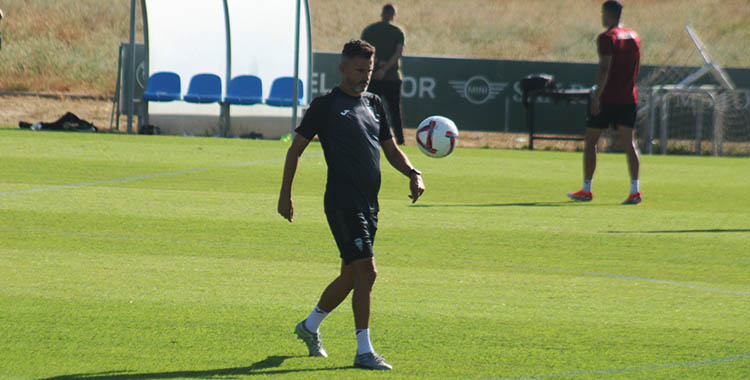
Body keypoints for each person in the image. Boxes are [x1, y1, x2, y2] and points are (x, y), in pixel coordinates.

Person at [277, 39, 425, 371]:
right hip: (343, 203)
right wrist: (285, 194)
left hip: (370, 204)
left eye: (369, 71)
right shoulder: (326, 105)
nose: (365, 77)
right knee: (367, 272)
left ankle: (310, 325)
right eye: (359, 70)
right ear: (342, 68)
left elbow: (390, 150)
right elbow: (295, 150)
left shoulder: (374, 103)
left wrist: (413, 173)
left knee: (350, 276)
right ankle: (363, 351)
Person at [568, 0, 642, 205]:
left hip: (608, 98)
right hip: (628, 96)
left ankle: (586, 189)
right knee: (629, 142)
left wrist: (597, 96)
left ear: (609, 14)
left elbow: (604, 68)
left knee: (591, 140)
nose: (602, 17)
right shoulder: (634, 36)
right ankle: (635, 190)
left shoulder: (606, 38)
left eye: (603, 13)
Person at [361, 4, 406, 145]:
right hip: (392, 77)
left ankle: (369, 137)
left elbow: (363, 51)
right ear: (394, 15)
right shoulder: (397, 31)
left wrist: (376, 67)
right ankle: (400, 140)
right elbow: (398, 53)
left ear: (382, 14)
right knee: (394, 112)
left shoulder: (369, 30)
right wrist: (385, 69)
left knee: (370, 110)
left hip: (372, 77)